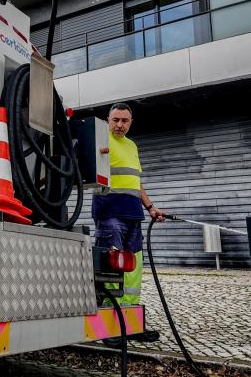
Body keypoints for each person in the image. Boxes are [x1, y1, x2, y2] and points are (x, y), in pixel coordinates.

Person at [93, 102, 164, 341]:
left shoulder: (132, 146)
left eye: (124, 121)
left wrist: (151, 207)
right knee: (111, 270)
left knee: (133, 272)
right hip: (109, 214)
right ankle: (109, 329)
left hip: (134, 215)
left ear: (130, 122)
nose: (120, 125)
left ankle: (131, 325)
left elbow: (136, 182)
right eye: (116, 120)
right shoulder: (99, 140)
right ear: (108, 120)